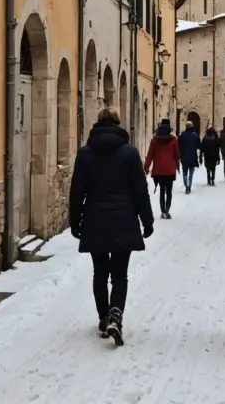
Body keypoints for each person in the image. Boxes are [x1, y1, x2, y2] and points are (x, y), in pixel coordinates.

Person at [69, 106, 154, 346]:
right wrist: (146, 221)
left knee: (99, 272)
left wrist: (74, 221)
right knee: (119, 274)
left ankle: (103, 316)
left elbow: (77, 191)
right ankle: (116, 313)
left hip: (95, 219)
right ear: (118, 124)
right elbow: (140, 190)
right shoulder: (129, 153)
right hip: (123, 219)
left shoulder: (85, 154)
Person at [144, 118, 180, 219]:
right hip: (169, 170)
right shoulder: (173, 141)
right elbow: (177, 155)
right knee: (169, 191)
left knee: (162, 190)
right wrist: (177, 166)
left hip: (158, 171)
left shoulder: (154, 141)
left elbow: (150, 155)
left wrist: (146, 167)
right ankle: (167, 210)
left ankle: (163, 211)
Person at [178, 120, 201, 194]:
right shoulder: (195, 135)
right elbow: (199, 146)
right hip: (192, 157)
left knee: (184, 172)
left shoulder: (181, 136)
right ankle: (189, 186)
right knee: (191, 173)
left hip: (184, 157)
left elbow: (178, 146)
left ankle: (186, 185)